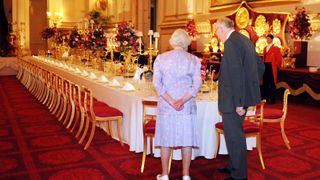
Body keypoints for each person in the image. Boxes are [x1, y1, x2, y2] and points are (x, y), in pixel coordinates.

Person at [215, 17, 265, 180]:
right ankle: (232, 166)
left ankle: (239, 175)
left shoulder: (231, 43)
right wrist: (250, 87)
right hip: (240, 98)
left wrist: (239, 102)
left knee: (235, 137)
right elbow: (260, 66)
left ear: (222, 29)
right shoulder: (244, 40)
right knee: (233, 135)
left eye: (216, 30)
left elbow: (236, 75)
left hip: (233, 101)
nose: (216, 34)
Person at [152, 29, 202, 180]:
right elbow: (197, 84)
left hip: (167, 106)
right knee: (187, 140)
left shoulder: (161, 58)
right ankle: (186, 175)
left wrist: (171, 100)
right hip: (186, 107)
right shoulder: (193, 60)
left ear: (172, 41)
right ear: (187, 42)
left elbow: (156, 83)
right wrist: (183, 99)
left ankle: (165, 175)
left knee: (165, 140)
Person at [262, 34, 282, 104]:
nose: (267, 40)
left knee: (272, 84)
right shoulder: (265, 48)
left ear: (272, 39)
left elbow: (279, 59)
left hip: (271, 67)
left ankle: (272, 100)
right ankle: (265, 98)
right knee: (265, 83)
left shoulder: (276, 48)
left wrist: (275, 65)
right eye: (266, 38)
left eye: (268, 38)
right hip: (265, 66)